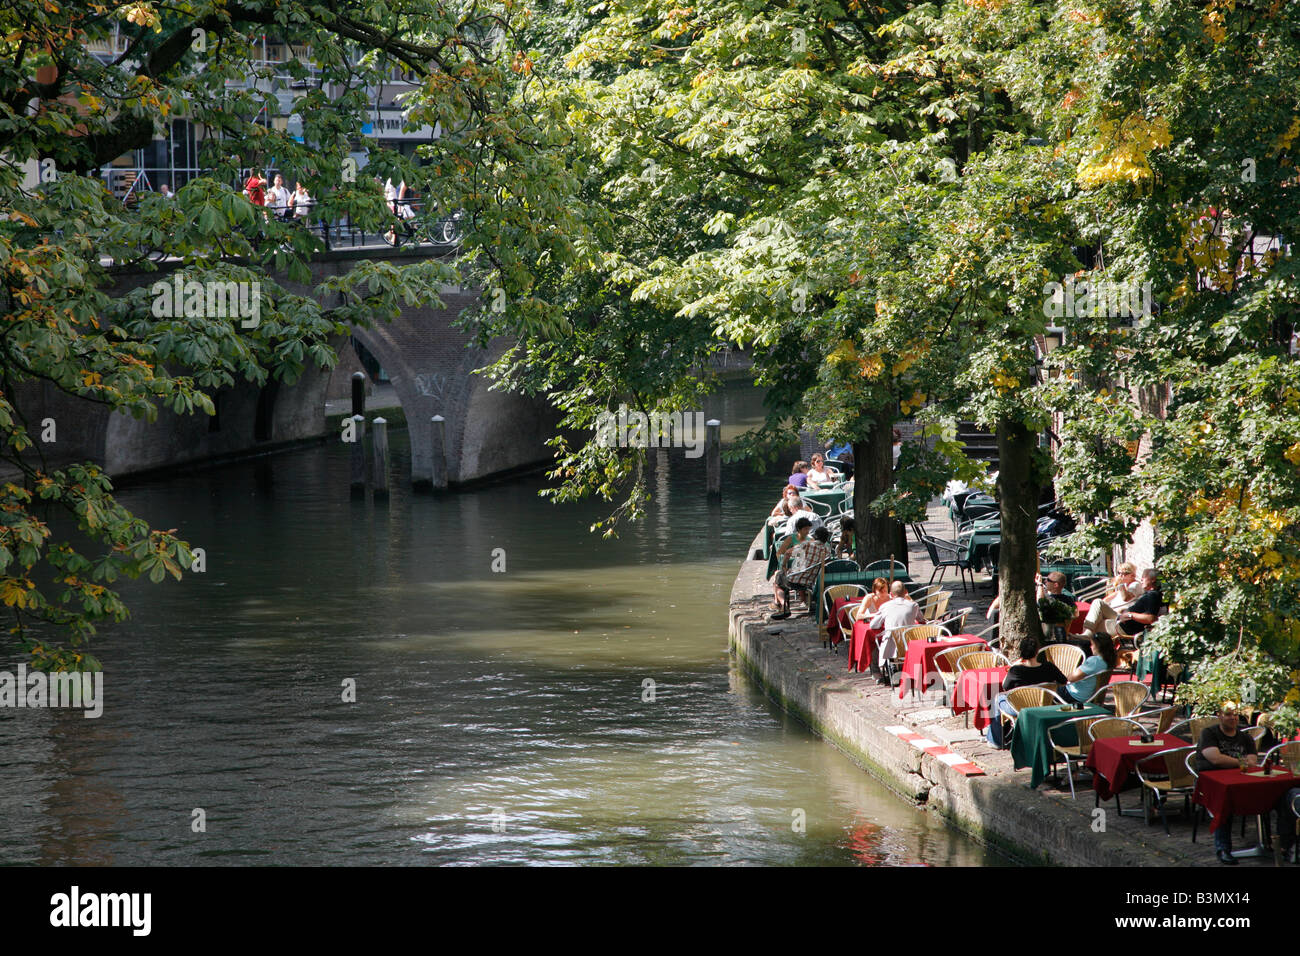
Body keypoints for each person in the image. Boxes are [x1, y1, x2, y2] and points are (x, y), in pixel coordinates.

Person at [1195, 702, 1259, 865]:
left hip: (1240, 781)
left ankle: (1282, 845)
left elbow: (1253, 761)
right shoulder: (1208, 733)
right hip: (1212, 782)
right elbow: (1215, 758)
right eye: (1228, 714)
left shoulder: (1245, 737)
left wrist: (1231, 762)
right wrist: (1241, 762)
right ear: (1220, 715)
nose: (1233, 718)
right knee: (1224, 802)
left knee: (1277, 794)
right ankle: (1223, 848)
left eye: (1235, 715)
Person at [986, 635, 1068, 748]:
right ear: (1037, 651)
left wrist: (1013, 666)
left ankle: (995, 740)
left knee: (997, 698)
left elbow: (1005, 686)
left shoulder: (1016, 670)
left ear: (1021, 652)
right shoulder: (1049, 667)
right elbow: (1064, 682)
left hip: (1020, 707)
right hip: (1044, 705)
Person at [868, 581, 922, 683]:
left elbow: (873, 625)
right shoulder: (913, 605)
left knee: (873, 640)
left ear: (891, 594)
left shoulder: (885, 606)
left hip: (890, 644)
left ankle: (878, 672)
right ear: (906, 592)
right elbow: (921, 619)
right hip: (909, 643)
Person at [1081, 562, 1141, 634]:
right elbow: (1107, 599)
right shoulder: (1126, 585)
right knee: (1096, 609)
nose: (1120, 575)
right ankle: (1086, 636)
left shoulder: (1135, 585)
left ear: (1132, 575)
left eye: (1124, 574)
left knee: (1097, 602)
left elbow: (1126, 598)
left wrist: (1120, 584)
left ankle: (1085, 636)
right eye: (1119, 573)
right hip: (1113, 612)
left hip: (1121, 615)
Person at [1058, 632, 1117, 704]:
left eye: (1092, 644)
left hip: (1075, 696)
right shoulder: (1109, 660)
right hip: (1089, 696)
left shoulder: (1094, 661)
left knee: (1047, 688)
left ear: (1098, 646)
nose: (1090, 647)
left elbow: (1071, 678)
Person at [1116, 568, 1162, 642]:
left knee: (1098, 603)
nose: (1141, 579)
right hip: (1120, 621)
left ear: (1153, 579)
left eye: (1144, 577)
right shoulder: (1150, 594)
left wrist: (1130, 615)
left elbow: (1151, 618)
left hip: (1123, 627)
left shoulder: (1153, 595)